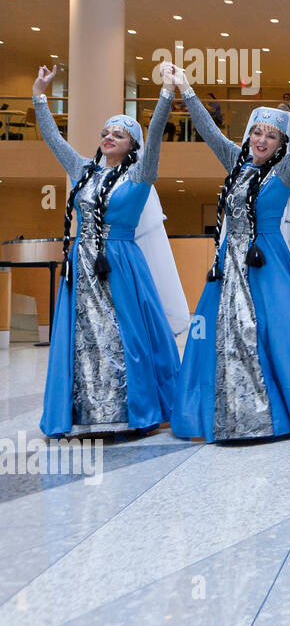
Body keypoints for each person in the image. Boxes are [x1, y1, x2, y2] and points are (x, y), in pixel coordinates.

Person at [172, 73, 290, 442]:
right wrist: (187, 90)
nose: (262, 140)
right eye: (257, 132)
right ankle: (228, 410)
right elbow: (207, 128)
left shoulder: (286, 169)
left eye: (271, 135)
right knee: (224, 334)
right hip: (230, 264)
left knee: (283, 334)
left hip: (268, 260)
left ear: (280, 143)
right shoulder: (234, 159)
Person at [33, 63, 188, 438]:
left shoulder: (140, 174)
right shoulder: (83, 170)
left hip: (119, 262)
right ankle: (85, 412)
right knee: (84, 339)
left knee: (126, 336)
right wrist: (40, 95)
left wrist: (167, 93)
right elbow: (54, 140)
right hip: (82, 264)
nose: (109, 137)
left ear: (131, 144)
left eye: (119, 134)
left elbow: (154, 139)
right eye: (106, 132)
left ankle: (132, 410)